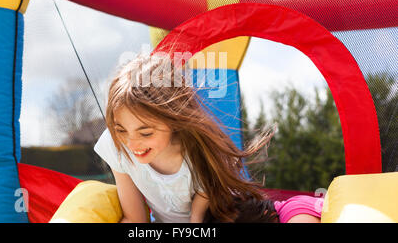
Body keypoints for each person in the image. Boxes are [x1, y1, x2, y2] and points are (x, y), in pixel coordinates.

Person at [94, 53, 320, 223]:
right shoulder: (116, 146)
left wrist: (195, 222)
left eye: (146, 133)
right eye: (121, 130)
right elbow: (135, 219)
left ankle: (301, 208)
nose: (132, 143)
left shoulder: (194, 148)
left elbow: (205, 200)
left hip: (223, 215)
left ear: (173, 120)